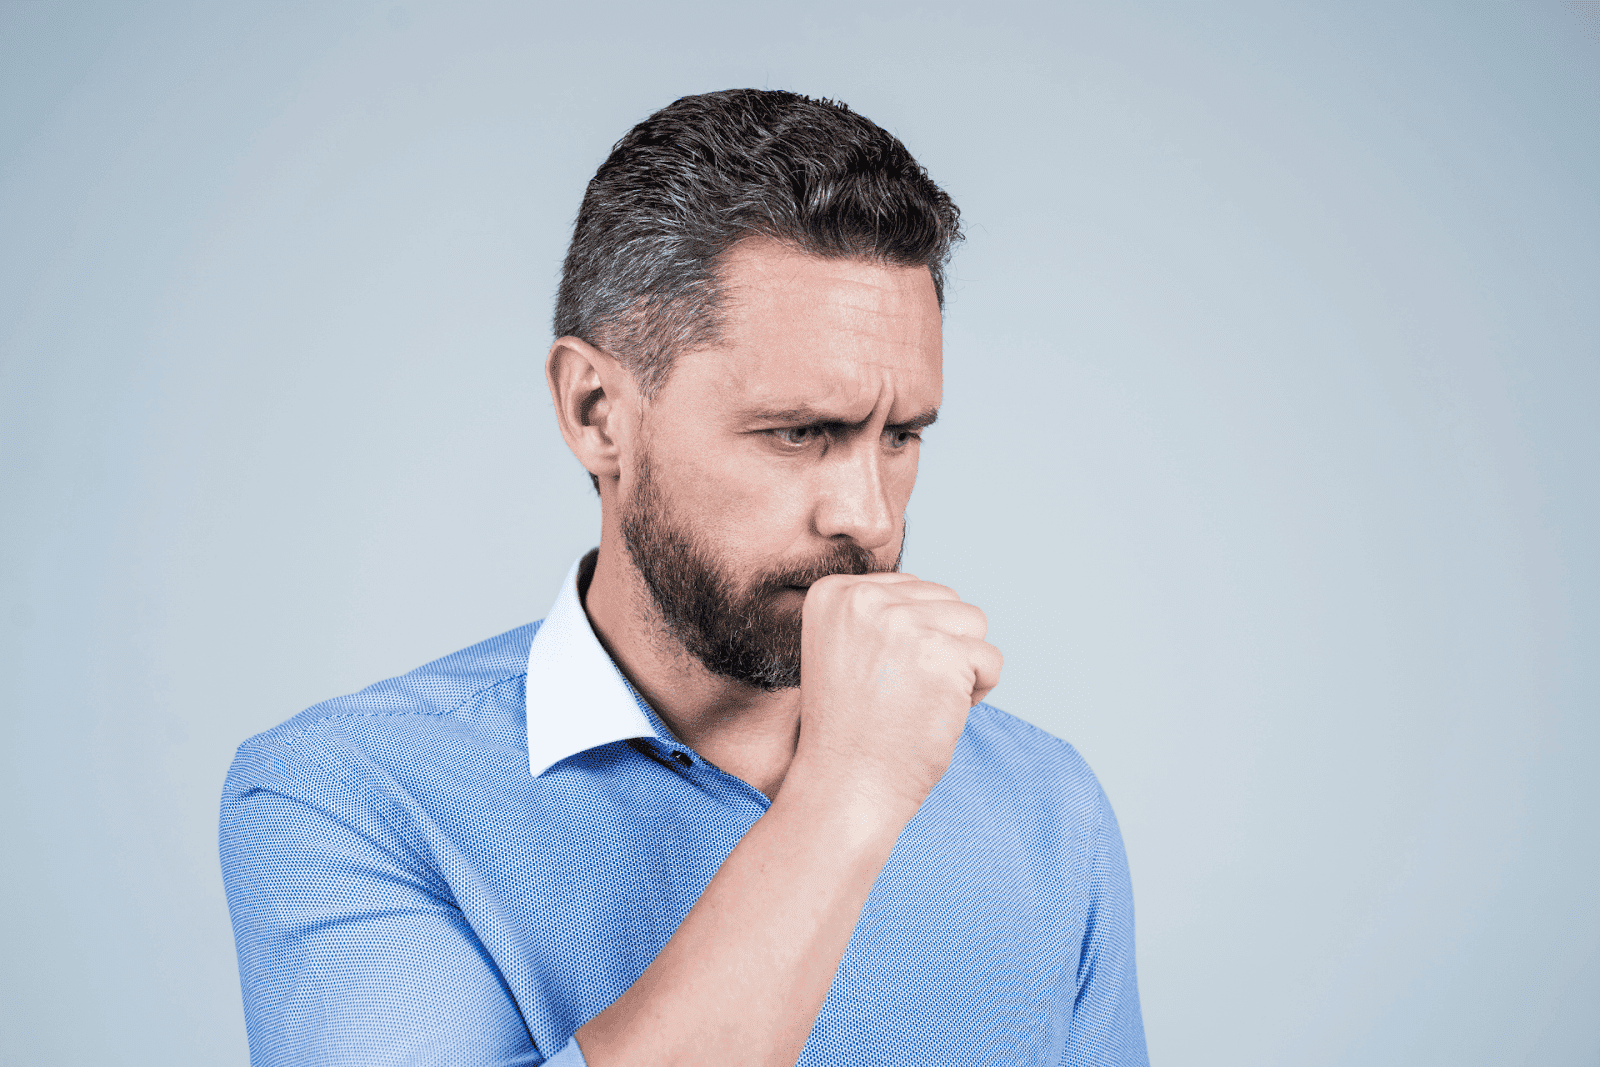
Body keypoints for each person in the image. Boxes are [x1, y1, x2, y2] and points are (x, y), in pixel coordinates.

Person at [220, 89, 1147, 1067]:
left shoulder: (1049, 805)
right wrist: (841, 799)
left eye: (901, 434)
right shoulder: (346, 792)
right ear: (596, 411)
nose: (869, 517)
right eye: (799, 431)